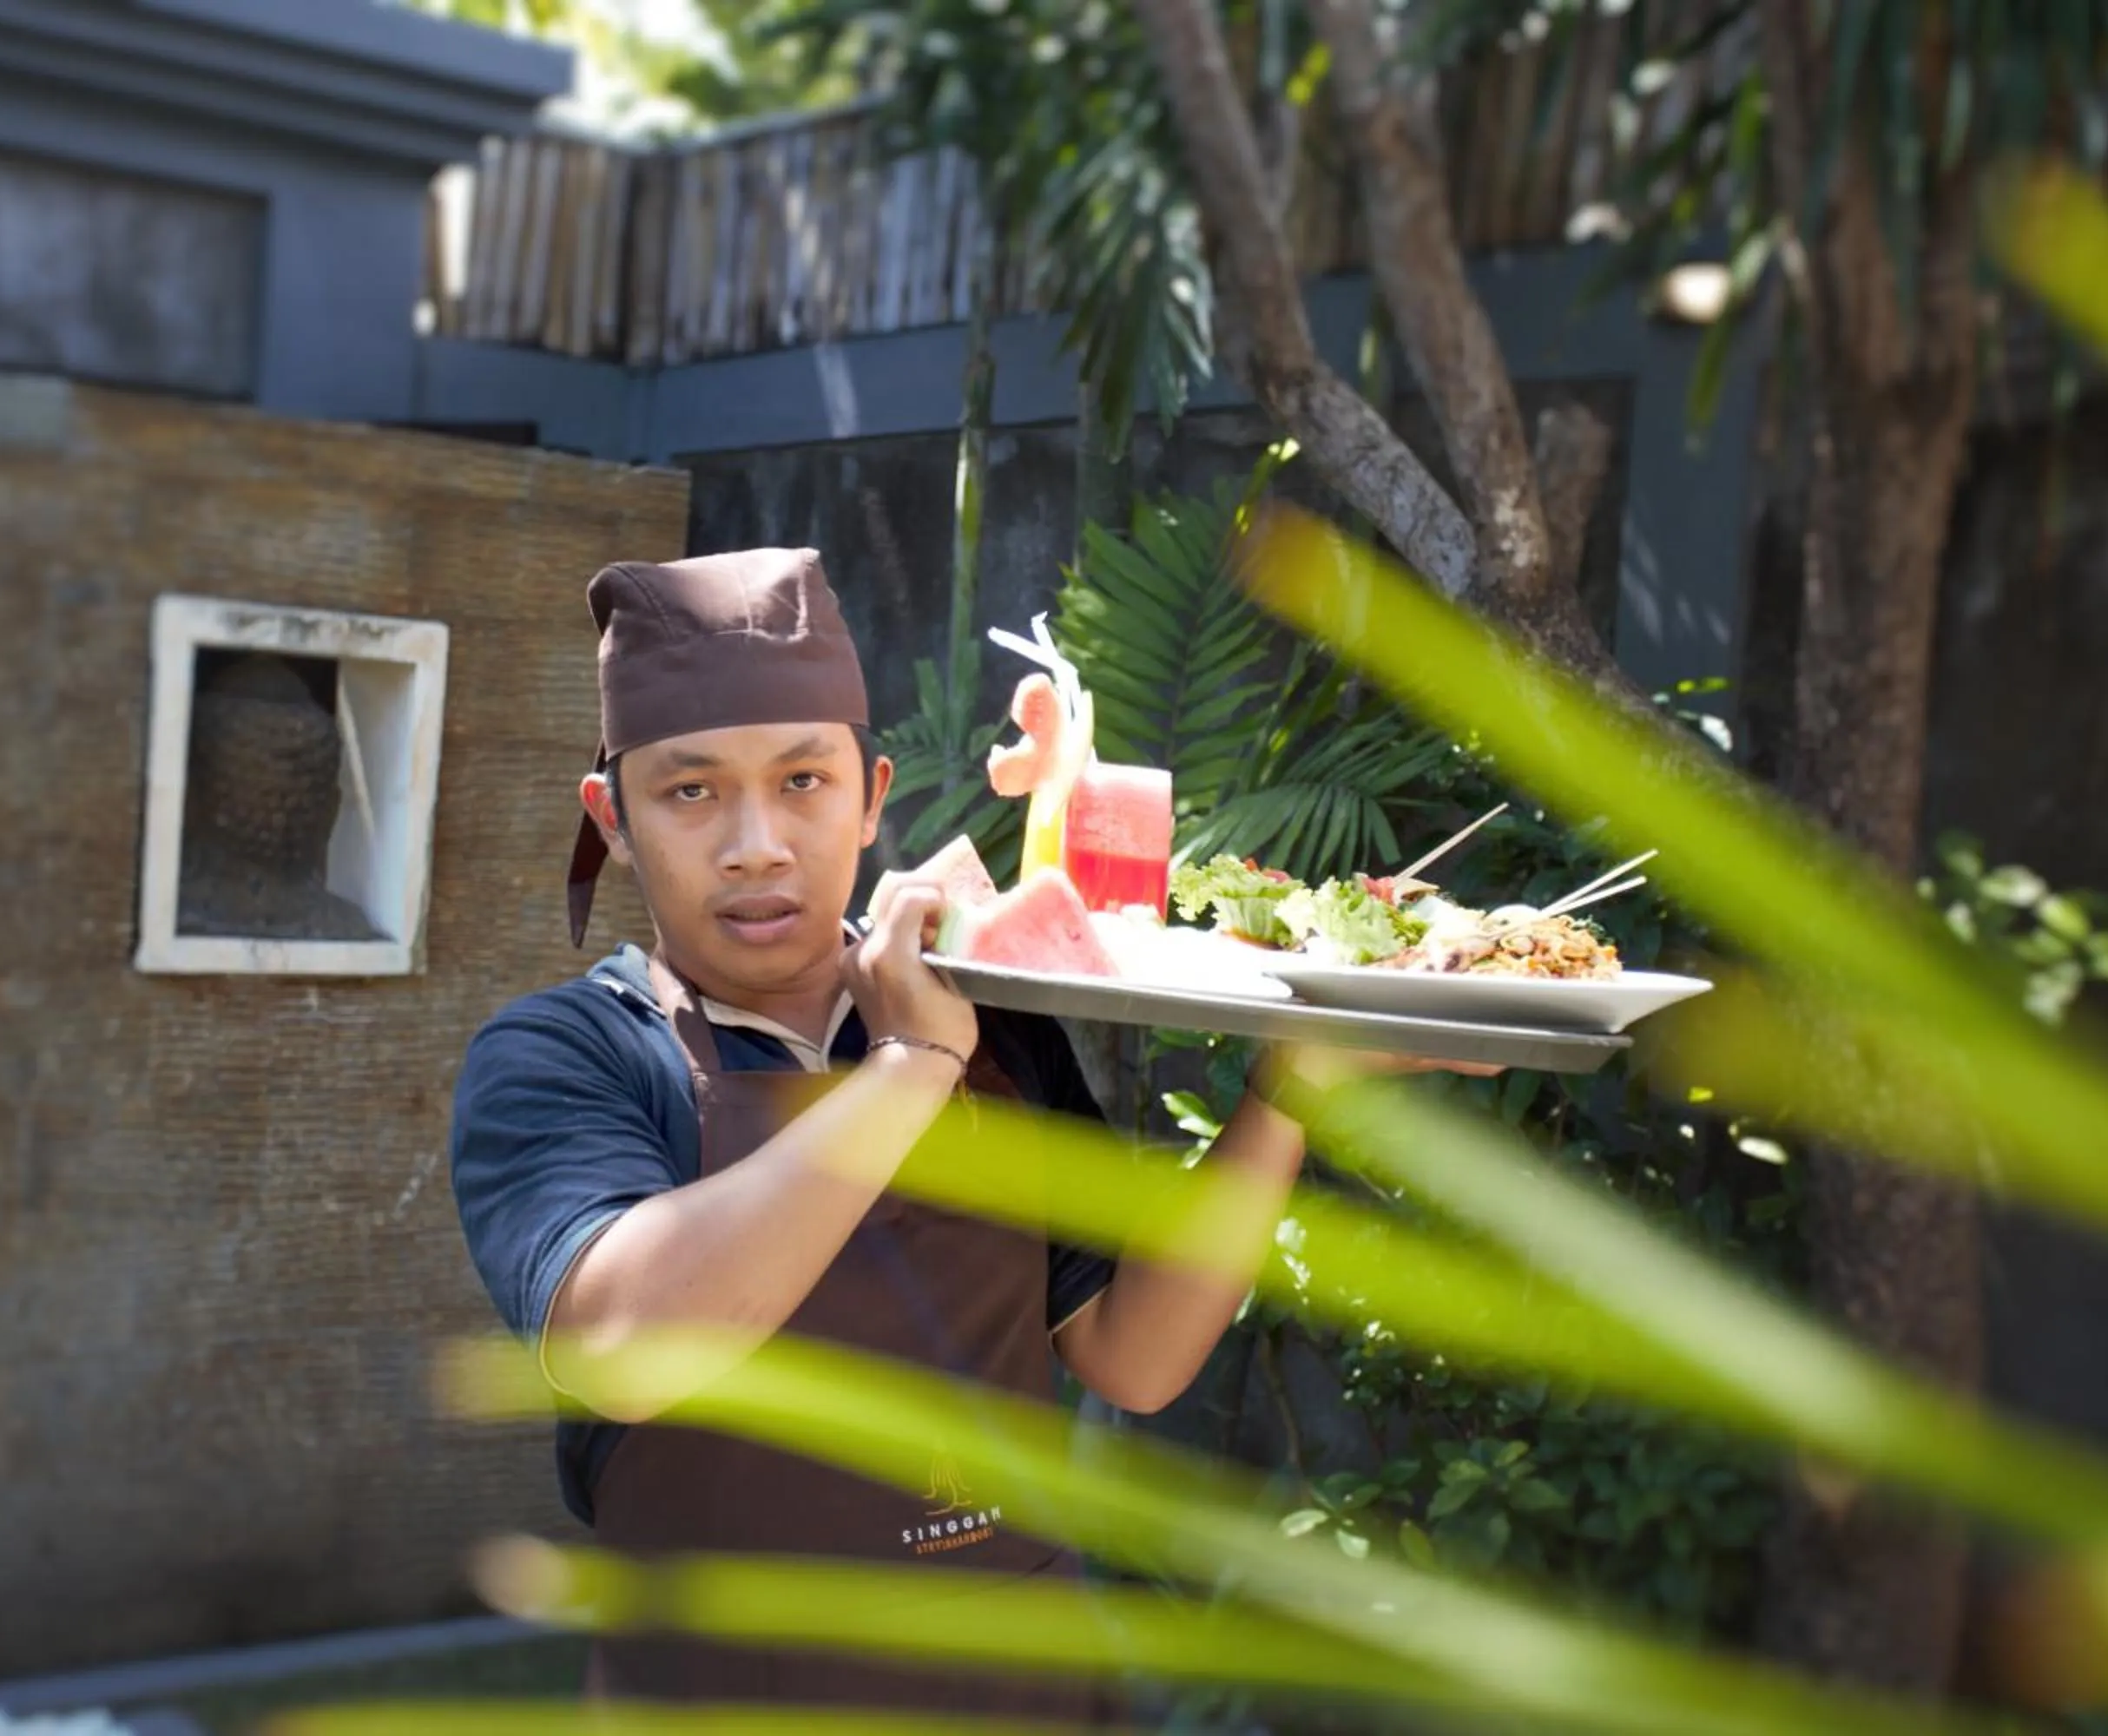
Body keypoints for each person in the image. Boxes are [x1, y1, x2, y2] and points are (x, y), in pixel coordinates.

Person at [449, 547, 1488, 1718]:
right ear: (616, 818)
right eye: (692, 791)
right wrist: (910, 1063)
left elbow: (1132, 1357)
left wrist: (1287, 1094)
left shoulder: (1000, 1023)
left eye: (804, 781)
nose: (758, 843)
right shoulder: (570, 1058)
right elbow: (630, 1348)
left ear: (872, 794)